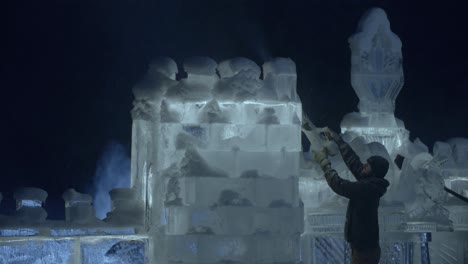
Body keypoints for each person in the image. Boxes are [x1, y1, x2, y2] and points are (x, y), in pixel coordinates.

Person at [314, 129, 390, 264]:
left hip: (364, 253)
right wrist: (338, 140)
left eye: (368, 165)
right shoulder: (371, 184)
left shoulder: (367, 189)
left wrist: (324, 163)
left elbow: (339, 185)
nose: (364, 165)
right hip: (365, 249)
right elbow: (353, 162)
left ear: (374, 171)